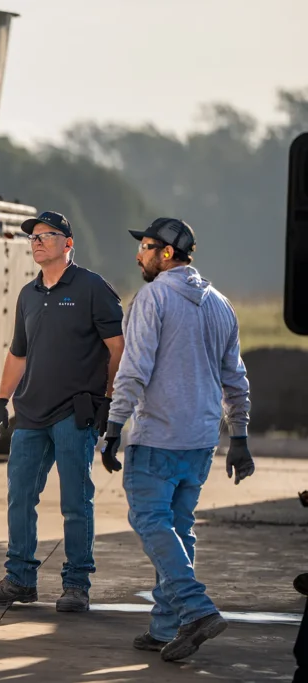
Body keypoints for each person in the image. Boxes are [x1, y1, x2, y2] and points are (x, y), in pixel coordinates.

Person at [101, 217, 255, 662]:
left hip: (159, 436)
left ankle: (196, 609)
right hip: (201, 438)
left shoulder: (153, 298)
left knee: (150, 521)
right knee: (178, 528)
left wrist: (114, 426)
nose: (139, 255)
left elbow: (134, 368)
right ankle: (166, 625)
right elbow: (235, 378)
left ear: (167, 252)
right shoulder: (220, 304)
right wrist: (239, 435)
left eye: (146, 247)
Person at [0, 210, 125, 612]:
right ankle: (20, 579)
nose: (38, 241)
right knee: (20, 497)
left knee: (76, 502)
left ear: (68, 243)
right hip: (29, 414)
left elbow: (118, 349)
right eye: (34, 237)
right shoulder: (28, 294)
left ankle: (77, 584)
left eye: (47, 235)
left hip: (74, 414)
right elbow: (17, 354)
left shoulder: (92, 288)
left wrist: (109, 402)